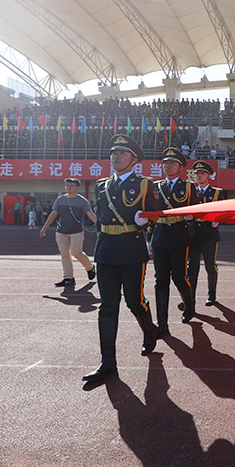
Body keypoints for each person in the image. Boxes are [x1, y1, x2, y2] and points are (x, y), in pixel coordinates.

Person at [82, 134, 159, 384]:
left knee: (135, 302)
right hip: (105, 250)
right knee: (108, 306)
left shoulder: (146, 184)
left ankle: (149, 332)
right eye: (113, 152)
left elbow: (155, 214)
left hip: (131, 249)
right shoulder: (101, 185)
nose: (115, 156)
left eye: (122, 153)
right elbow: (100, 214)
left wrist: (145, 220)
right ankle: (107, 362)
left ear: (134, 159)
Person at [150, 148, 198, 336]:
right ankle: (162, 323)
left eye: (172, 163)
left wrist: (191, 216)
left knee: (179, 277)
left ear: (180, 168)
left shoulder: (188, 187)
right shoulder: (155, 186)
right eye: (165, 163)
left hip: (179, 235)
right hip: (160, 236)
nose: (167, 166)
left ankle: (189, 305)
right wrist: (148, 238)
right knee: (160, 281)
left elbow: (196, 211)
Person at [40, 178, 98, 287]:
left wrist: (101, 225)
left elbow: (90, 214)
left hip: (76, 231)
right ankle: (68, 278)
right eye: (67, 185)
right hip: (61, 231)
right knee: (64, 255)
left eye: (71, 185)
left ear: (77, 187)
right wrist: (44, 228)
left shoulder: (82, 201)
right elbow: (53, 214)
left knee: (77, 252)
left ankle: (90, 267)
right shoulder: (60, 200)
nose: (68, 187)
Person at [188, 160, 224, 307]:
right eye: (197, 173)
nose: (199, 176)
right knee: (192, 268)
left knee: (210, 265)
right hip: (192, 234)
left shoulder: (216, 192)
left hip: (209, 234)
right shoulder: (190, 191)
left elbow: (222, 210)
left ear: (208, 175)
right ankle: (190, 298)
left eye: (202, 173)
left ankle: (211, 294)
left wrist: (218, 221)